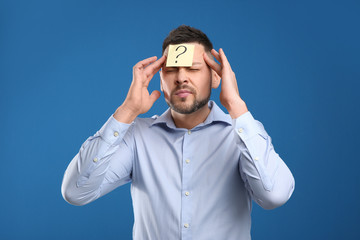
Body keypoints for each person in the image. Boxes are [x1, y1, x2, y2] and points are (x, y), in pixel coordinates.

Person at [61, 25, 295, 240]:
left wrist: (236, 106)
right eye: (172, 70)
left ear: (216, 76)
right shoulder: (137, 136)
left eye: (193, 68)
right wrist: (128, 110)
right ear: (160, 79)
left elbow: (274, 196)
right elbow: (75, 192)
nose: (181, 77)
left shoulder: (244, 135)